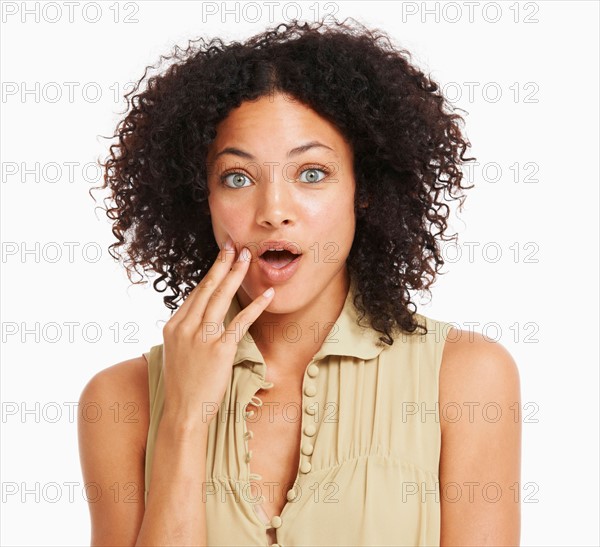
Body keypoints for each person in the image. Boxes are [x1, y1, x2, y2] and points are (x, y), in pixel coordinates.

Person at [78, 17, 521, 547]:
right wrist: (184, 420)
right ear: (202, 201)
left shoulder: (467, 379)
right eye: (237, 178)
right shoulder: (121, 402)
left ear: (366, 189)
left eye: (311, 173)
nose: (273, 211)